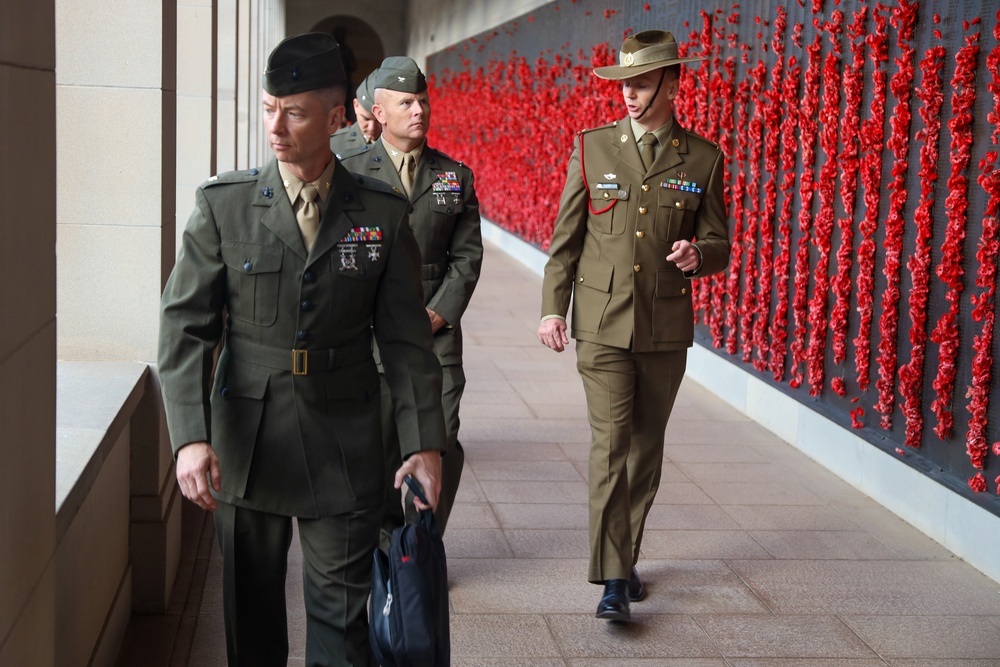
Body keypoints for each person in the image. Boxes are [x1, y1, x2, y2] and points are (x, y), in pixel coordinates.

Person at [158, 32, 446, 667]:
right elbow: (185, 329)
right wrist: (189, 437)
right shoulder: (224, 208)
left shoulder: (380, 214)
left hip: (344, 439)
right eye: (268, 108)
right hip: (246, 443)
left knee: (342, 629)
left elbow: (403, 340)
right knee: (251, 624)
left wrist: (424, 443)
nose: (276, 126)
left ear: (337, 116)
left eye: (295, 111)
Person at [537, 30, 731, 623]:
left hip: (665, 327)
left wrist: (702, 254)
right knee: (610, 444)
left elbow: (720, 239)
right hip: (600, 324)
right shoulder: (593, 148)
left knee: (645, 451)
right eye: (624, 84)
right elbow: (566, 238)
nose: (629, 94)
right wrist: (552, 306)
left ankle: (625, 555)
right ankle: (614, 579)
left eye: (642, 83)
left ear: (673, 83)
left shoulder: (703, 157)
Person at [340, 56, 483, 539]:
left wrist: (436, 315)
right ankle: (385, 544)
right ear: (379, 113)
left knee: (441, 439)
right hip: (368, 338)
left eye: (422, 100)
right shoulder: (347, 174)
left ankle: (421, 541)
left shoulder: (453, 176)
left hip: (433, 338)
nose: (418, 110)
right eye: (405, 103)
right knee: (378, 446)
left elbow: (467, 259)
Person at [330, 70, 380, 156]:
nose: (372, 128)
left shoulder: (405, 145)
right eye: (366, 119)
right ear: (355, 106)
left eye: (379, 121)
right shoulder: (333, 145)